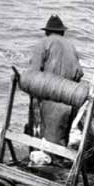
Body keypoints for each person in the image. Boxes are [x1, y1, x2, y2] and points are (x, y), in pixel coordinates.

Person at [27, 15, 84, 148]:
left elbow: (34, 74)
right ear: (62, 32)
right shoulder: (71, 46)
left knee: (44, 139)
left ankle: (44, 161)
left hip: (49, 98)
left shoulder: (42, 43)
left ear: (47, 32)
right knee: (62, 137)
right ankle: (58, 159)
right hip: (69, 97)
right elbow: (79, 73)